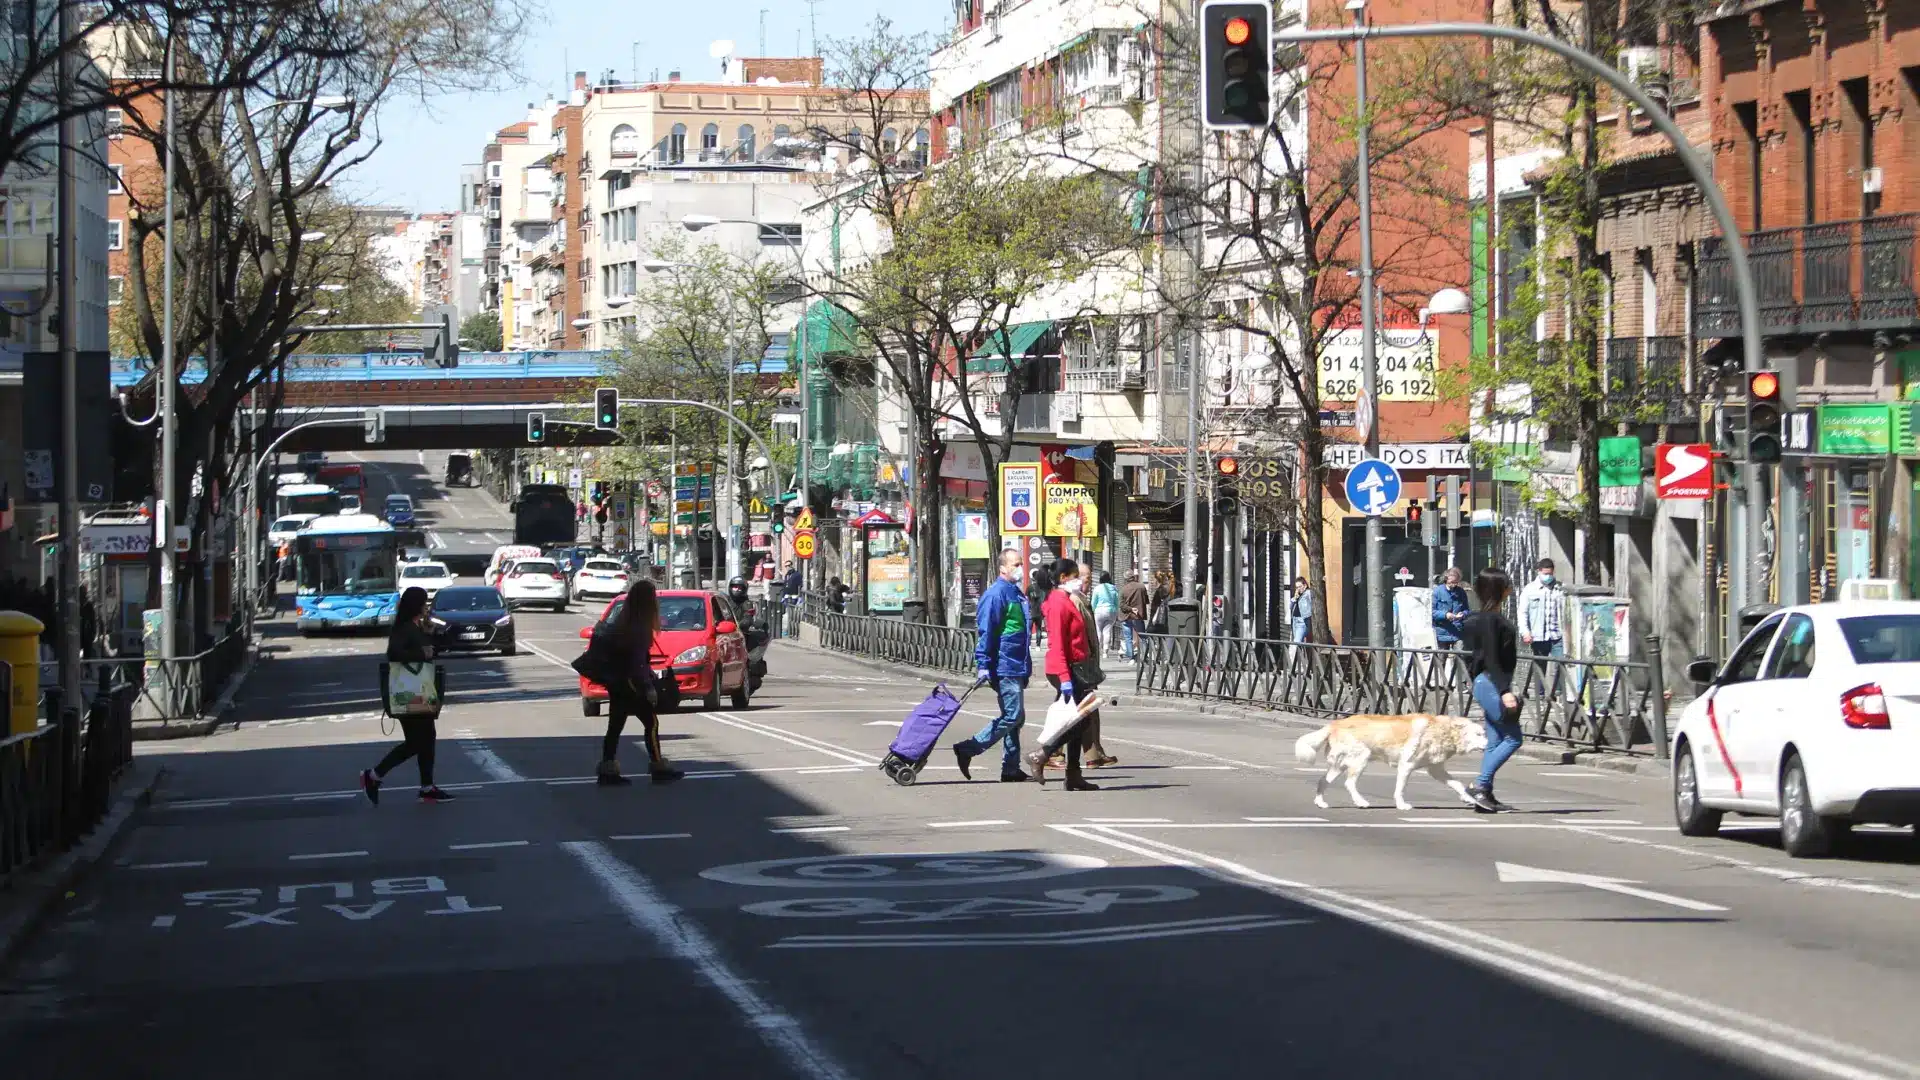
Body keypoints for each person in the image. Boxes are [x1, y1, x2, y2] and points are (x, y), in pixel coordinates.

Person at [585, 580, 685, 786]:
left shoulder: (624, 620)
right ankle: (658, 766)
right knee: (651, 723)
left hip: (617, 683)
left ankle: (608, 768)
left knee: (615, 726)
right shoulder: (640, 626)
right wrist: (648, 686)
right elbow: (638, 661)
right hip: (632, 685)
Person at [361, 587, 452, 804]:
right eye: (423, 603)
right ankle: (373, 775)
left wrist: (431, 634)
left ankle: (427, 787)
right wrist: (422, 652)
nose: (426, 606)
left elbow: (435, 649)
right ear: (415, 605)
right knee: (416, 742)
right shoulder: (403, 628)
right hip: (408, 691)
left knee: (427, 738)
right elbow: (394, 653)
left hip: (420, 690)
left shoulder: (416, 626)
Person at [952, 549, 1032, 783]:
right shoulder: (997, 594)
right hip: (1004, 663)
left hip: (1016, 663)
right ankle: (969, 748)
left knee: (1015, 717)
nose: (1020, 568)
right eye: (1016, 564)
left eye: (1020, 563)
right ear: (1003, 568)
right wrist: (984, 663)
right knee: (1013, 715)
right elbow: (987, 631)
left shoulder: (1014, 592)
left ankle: (1011, 767)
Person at [1026, 558, 1101, 791]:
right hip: (1067, 668)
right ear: (1063, 578)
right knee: (1080, 720)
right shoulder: (1058, 602)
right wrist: (1066, 679)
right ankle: (1042, 754)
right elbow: (1057, 644)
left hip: (1076, 666)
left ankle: (1073, 773)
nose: (1079, 579)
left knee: (1079, 719)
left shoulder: (1065, 599)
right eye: (1075, 575)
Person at [1463, 567, 1521, 813]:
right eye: (1507, 584)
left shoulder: (1479, 618)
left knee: (1495, 739)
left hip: (1486, 682)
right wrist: (1504, 690)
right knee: (1513, 738)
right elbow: (1492, 658)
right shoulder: (1490, 620)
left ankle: (1485, 795)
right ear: (1499, 589)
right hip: (1491, 683)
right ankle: (1480, 785)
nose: (1510, 588)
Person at [1517, 557, 1566, 658]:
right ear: (1539, 571)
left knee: (1560, 667)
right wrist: (1525, 632)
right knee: (1539, 668)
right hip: (1538, 637)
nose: (1548, 577)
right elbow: (1522, 613)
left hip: (1557, 637)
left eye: (1550, 574)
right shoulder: (1530, 590)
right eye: (1545, 574)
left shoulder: (1560, 588)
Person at [1431, 567, 1470, 650]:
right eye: (1451, 582)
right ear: (1446, 579)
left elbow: (1467, 609)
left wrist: (1463, 614)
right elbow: (1432, 612)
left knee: (1460, 658)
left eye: (1456, 582)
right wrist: (1445, 615)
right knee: (1441, 660)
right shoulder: (1437, 592)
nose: (1454, 585)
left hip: (1457, 632)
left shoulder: (1461, 592)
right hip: (1442, 632)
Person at [1118, 569, 1149, 660]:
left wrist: (1130, 609)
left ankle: (1131, 657)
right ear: (1134, 577)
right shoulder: (1142, 587)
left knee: (1128, 637)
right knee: (1142, 637)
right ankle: (1144, 656)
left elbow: (1121, 605)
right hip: (1138, 616)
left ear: (1125, 579)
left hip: (1126, 616)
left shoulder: (1123, 590)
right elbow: (1146, 600)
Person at [1090, 570, 1121, 653]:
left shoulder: (1097, 588)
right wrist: (1117, 611)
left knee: (1098, 630)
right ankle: (1105, 651)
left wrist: (1092, 611)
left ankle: (1098, 650)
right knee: (1107, 631)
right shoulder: (1114, 588)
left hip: (1099, 611)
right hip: (1111, 611)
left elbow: (1093, 602)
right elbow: (1117, 602)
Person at [1290, 577, 1315, 644]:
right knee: (1298, 643)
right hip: (1295, 620)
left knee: (1296, 643)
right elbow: (1290, 607)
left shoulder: (1308, 593)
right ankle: (1300, 654)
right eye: (1297, 587)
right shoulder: (1298, 595)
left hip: (1302, 622)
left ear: (1305, 585)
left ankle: (1291, 654)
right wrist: (1295, 598)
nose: (1298, 589)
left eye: (1300, 586)